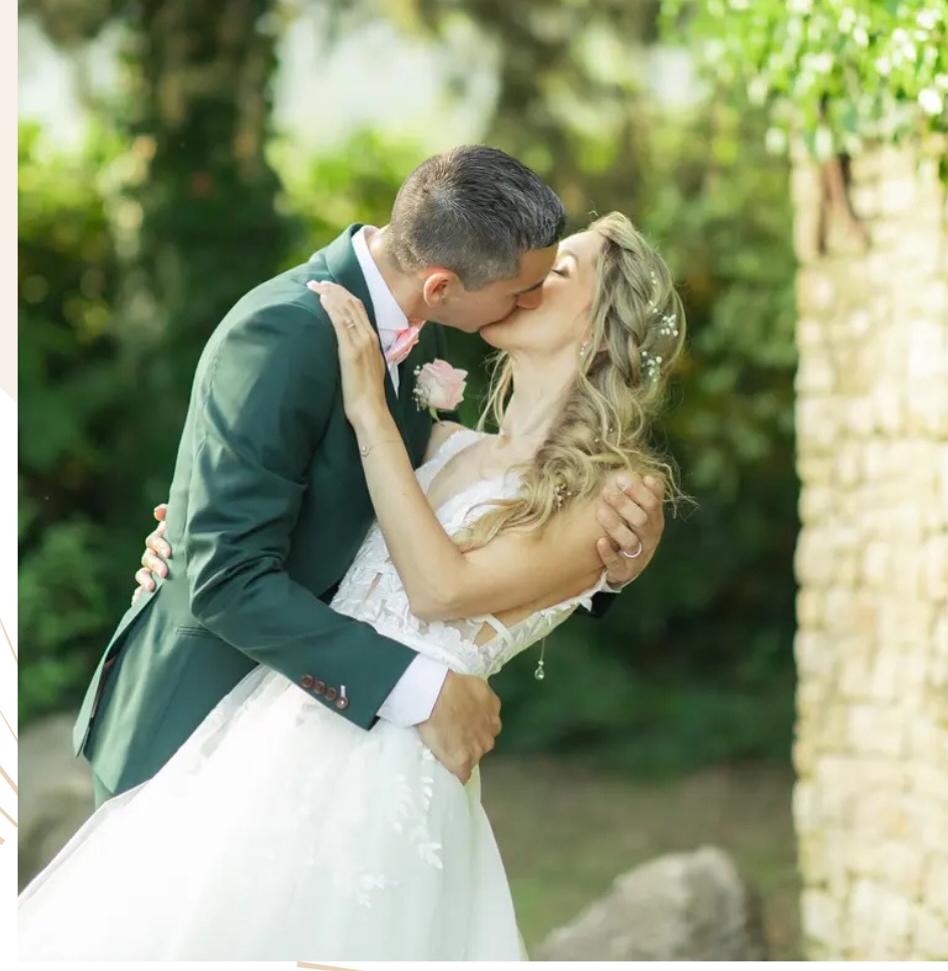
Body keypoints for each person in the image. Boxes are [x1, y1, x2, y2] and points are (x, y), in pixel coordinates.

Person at [18, 211, 685, 961]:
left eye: (556, 273)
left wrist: (369, 407)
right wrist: (196, 540)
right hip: (276, 725)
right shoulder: (442, 438)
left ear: (599, 334)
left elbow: (438, 588)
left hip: (388, 773)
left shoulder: (613, 495)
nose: (525, 280)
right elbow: (311, 516)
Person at [67, 146, 662, 815]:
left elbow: (422, 509)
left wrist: (608, 570)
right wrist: (417, 686)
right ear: (441, 284)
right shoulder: (281, 334)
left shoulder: (426, 341)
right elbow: (223, 573)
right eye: (529, 282)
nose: (527, 295)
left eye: (552, 277)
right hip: (195, 727)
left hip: (341, 749)